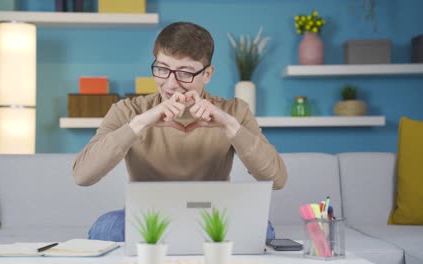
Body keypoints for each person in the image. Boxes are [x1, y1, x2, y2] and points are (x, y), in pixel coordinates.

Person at [73, 21, 287, 243]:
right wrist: (139, 124)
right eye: (162, 69)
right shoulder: (129, 111)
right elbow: (82, 176)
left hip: (212, 219)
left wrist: (230, 126)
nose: (171, 84)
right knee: (105, 228)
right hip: (147, 219)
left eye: (185, 73)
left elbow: (277, 179)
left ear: (207, 74)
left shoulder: (234, 111)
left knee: (264, 229)